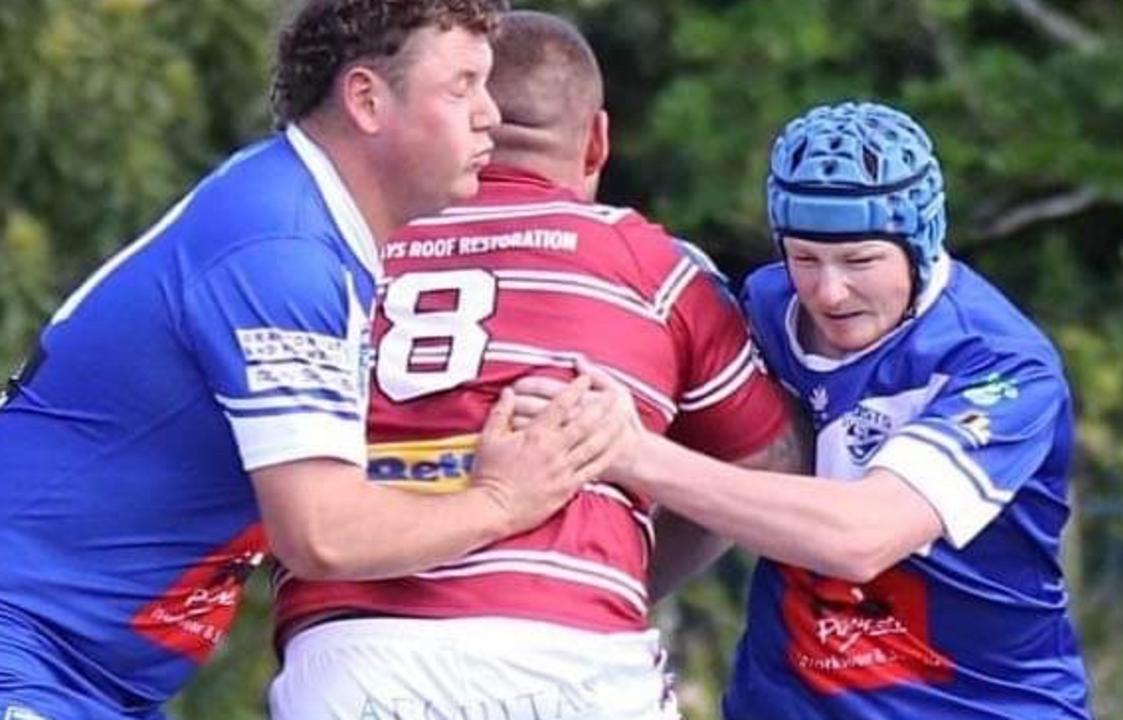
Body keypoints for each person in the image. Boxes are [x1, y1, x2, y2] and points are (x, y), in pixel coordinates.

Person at [0, 3, 634, 718]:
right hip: (27, 648)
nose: (490, 114)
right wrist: (502, 501)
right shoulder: (284, 253)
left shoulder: (302, 221)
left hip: (72, 669)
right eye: (461, 87)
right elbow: (322, 534)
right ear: (366, 99)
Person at [266, 11, 798, 720]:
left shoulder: (335, 254)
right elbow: (765, 472)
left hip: (347, 656)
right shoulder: (652, 266)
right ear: (598, 140)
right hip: (568, 656)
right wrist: (625, 568)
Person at [515, 100, 1092, 718]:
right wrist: (584, 611)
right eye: (805, 258)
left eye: (860, 260)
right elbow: (731, 484)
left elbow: (862, 537)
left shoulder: (1001, 364)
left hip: (976, 706)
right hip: (785, 701)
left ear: (921, 243)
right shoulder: (762, 307)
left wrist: (634, 453)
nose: (829, 291)